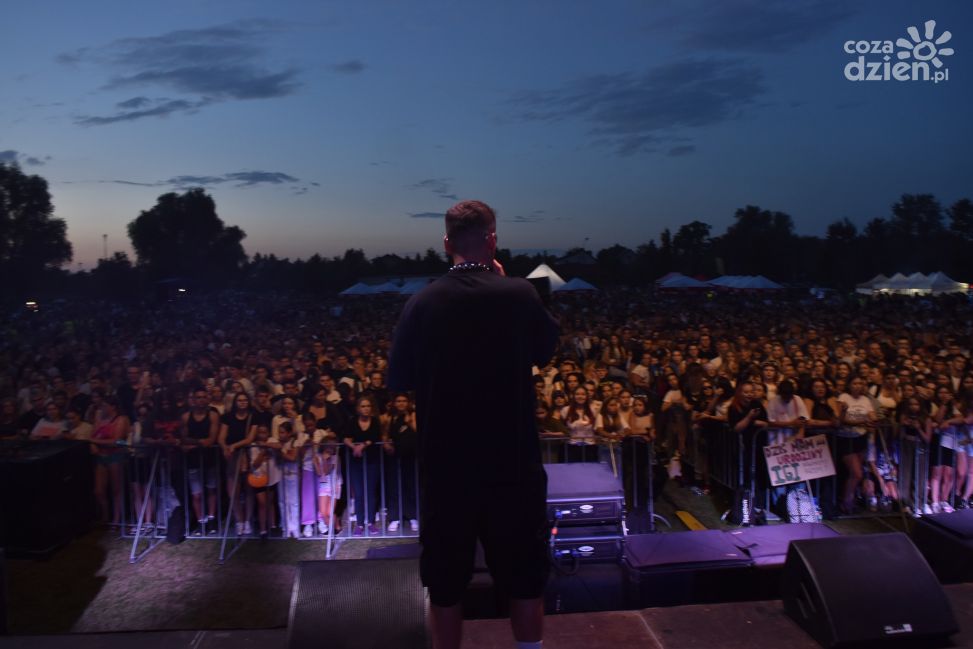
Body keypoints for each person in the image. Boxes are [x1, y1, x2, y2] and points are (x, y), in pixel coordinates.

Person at [388, 200, 559, 649]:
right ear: (493, 238)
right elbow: (545, 350)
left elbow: (400, 377)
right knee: (524, 577)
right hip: (512, 465)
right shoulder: (520, 294)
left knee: (445, 582)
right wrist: (504, 286)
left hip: (448, 469)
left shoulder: (421, 303)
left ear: (446, 244)